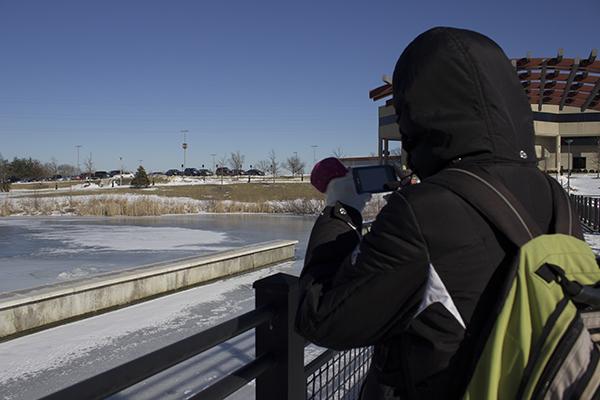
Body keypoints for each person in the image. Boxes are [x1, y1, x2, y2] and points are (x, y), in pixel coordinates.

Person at [295, 27, 582, 399]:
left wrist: (340, 210)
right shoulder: (553, 195)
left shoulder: (424, 212)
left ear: (421, 112)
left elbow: (321, 317)